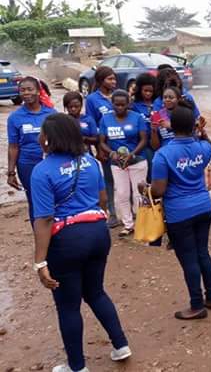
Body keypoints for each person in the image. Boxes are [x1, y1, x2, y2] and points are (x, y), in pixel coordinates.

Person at [30, 113, 131, 372]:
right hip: (98, 233)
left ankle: (77, 367)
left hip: (67, 241)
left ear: (50, 139)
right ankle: (121, 345)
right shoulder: (89, 161)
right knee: (96, 292)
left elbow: (44, 220)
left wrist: (40, 262)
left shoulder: (42, 171)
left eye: (42, 133)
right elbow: (102, 199)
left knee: (68, 305)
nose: (39, 137)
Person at [141, 100, 211, 320]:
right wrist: (201, 132)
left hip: (179, 212)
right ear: (193, 125)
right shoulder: (202, 147)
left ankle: (196, 305)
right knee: (202, 252)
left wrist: (144, 188)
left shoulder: (163, 155)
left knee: (189, 259)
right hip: (204, 206)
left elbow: (158, 190)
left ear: (171, 126)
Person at [7, 77, 57, 224]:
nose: (26, 93)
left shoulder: (51, 113)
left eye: (30, 89)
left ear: (38, 91)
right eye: (22, 90)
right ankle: (40, 235)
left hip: (50, 163)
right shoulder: (15, 118)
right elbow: (13, 146)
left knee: (54, 197)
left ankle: (57, 232)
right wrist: (11, 173)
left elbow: (59, 140)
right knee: (34, 200)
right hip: (27, 165)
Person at [98, 90, 148, 237]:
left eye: (123, 104)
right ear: (112, 104)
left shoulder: (137, 118)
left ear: (128, 104)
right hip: (117, 163)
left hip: (137, 161)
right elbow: (102, 141)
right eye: (116, 104)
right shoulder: (105, 119)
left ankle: (142, 223)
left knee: (139, 194)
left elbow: (144, 139)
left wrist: (132, 155)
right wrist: (111, 153)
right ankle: (128, 224)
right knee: (121, 194)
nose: (119, 107)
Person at [85, 66, 119, 228]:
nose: (113, 82)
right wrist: (98, 148)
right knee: (109, 179)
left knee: (128, 178)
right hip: (106, 145)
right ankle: (112, 213)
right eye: (110, 79)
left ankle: (132, 211)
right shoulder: (92, 99)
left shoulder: (119, 95)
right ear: (100, 81)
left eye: (114, 78)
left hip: (125, 144)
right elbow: (92, 125)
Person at [130, 73, 158, 181]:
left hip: (157, 142)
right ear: (139, 90)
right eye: (145, 90)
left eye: (150, 91)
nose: (148, 93)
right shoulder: (134, 106)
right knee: (148, 170)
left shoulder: (158, 104)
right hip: (142, 144)